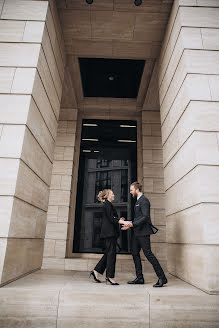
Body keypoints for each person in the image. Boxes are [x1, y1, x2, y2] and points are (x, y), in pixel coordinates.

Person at [120, 182, 168, 287]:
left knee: (148, 254)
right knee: (134, 252)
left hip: (143, 233)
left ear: (137, 189)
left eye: (131, 190)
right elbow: (139, 218)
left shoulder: (144, 200)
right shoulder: (138, 201)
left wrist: (132, 224)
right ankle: (139, 278)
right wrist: (130, 225)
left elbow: (145, 217)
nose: (130, 192)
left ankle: (162, 278)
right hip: (137, 232)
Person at [90, 189, 125, 285]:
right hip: (109, 234)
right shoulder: (107, 204)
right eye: (112, 193)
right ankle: (110, 277)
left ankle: (96, 271)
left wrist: (118, 219)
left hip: (110, 233)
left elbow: (111, 218)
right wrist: (120, 221)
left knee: (109, 253)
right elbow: (111, 218)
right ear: (108, 195)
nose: (114, 195)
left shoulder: (108, 204)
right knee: (111, 255)